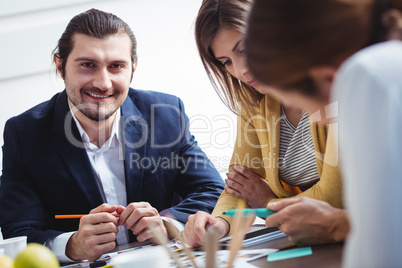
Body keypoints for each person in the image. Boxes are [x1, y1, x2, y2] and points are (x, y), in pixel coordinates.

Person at [0, 8, 224, 262]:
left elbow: (213, 190)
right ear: (60, 65)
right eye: (88, 65)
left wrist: (166, 223)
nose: (103, 83)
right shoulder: (24, 133)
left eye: (116, 66)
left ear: (133, 68)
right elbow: (18, 232)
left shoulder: (166, 114)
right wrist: (71, 245)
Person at [245, 0, 402, 267]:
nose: (324, 121)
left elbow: (381, 253)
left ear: (330, 77)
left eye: (307, 106)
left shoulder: (369, 74)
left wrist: (336, 226)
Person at [183, 0, 343, 248]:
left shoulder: (334, 83)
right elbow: (240, 184)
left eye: (245, 50)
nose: (241, 71)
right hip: (314, 243)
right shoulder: (254, 99)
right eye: (226, 61)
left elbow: (334, 197)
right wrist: (220, 223)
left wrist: (268, 201)